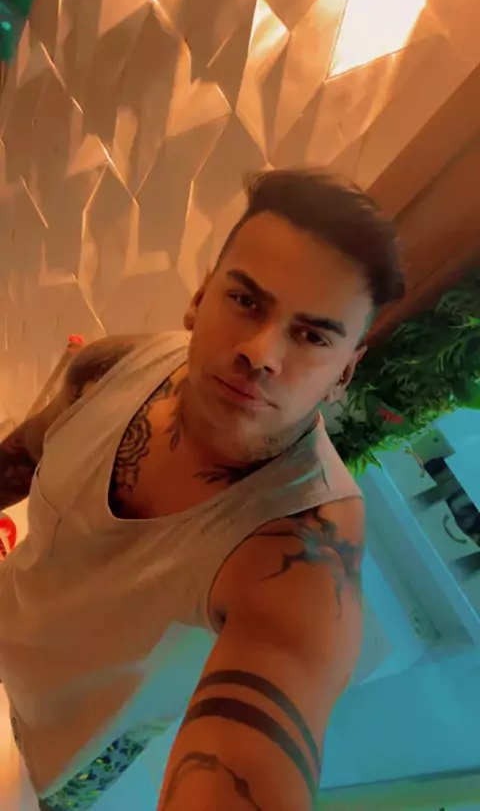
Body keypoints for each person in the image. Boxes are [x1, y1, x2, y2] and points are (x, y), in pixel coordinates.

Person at [0, 168, 404, 811]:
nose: (261, 352)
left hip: (55, 761)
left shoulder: (302, 550)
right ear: (199, 296)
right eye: (246, 301)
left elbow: (266, 714)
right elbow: (17, 461)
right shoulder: (112, 366)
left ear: (343, 373)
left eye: (312, 336)